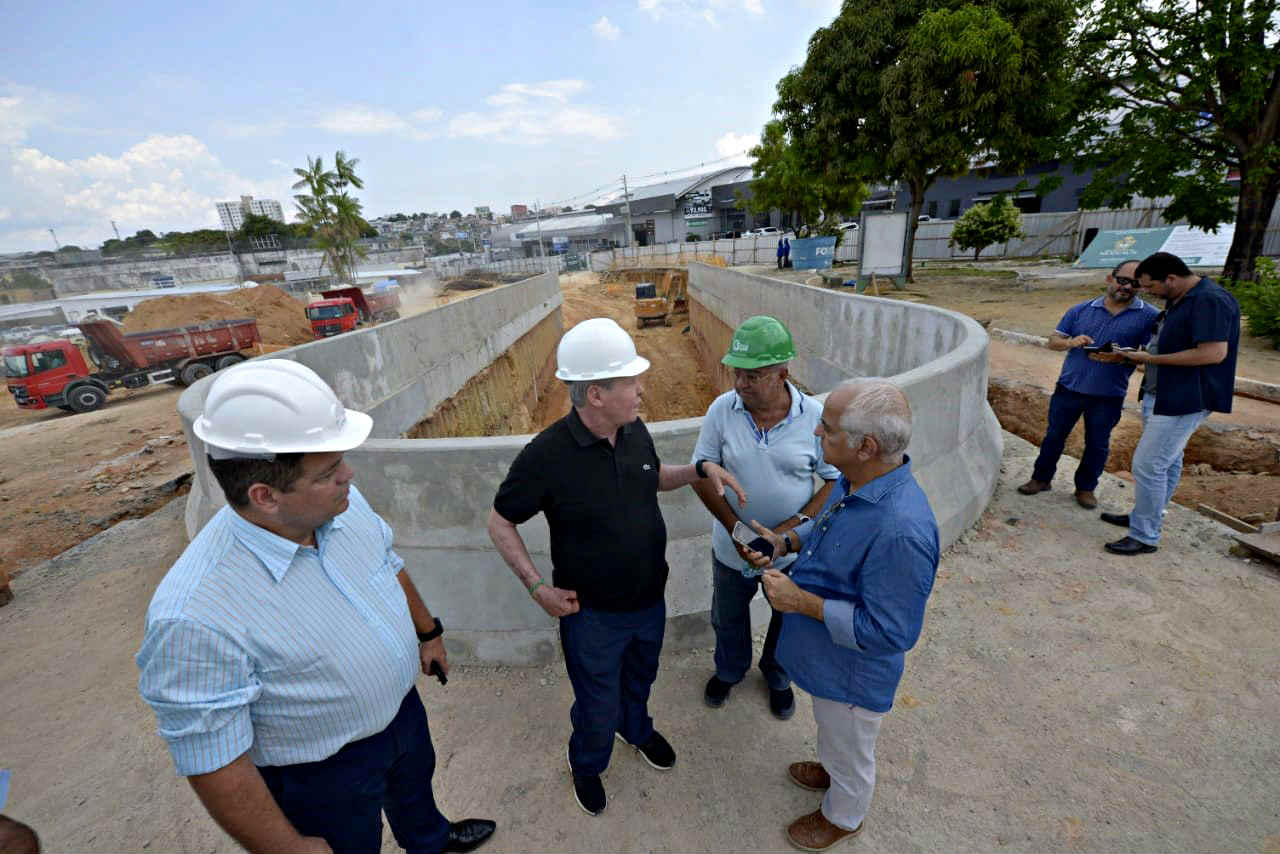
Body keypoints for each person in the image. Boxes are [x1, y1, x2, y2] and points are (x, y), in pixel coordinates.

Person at [136, 360, 496, 854]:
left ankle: (430, 840)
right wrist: (289, 848)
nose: (349, 474)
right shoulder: (196, 615)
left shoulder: (342, 504)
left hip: (402, 716)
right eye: (328, 472)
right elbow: (213, 759)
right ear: (265, 496)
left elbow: (387, 564)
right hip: (321, 775)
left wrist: (428, 632)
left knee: (416, 792)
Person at [486, 318, 745, 818]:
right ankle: (586, 761)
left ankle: (636, 728)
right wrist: (537, 587)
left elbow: (653, 477)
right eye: (631, 381)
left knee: (640, 680)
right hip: (592, 617)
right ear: (596, 394)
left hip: (648, 601)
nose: (642, 389)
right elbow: (500, 522)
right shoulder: (546, 456)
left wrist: (697, 470)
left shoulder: (633, 430)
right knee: (596, 702)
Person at [742, 379, 939, 852]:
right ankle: (833, 768)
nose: (816, 434)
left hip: (853, 675)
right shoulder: (859, 482)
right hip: (829, 661)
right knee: (834, 733)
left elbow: (891, 632)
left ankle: (844, 815)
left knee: (851, 746)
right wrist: (785, 541)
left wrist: (800, 602)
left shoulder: (901, 531)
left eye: (827, 429)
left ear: (865, 446)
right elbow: (828, 524)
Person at [690, 316, 838, 719]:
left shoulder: (814, 417)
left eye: (752, 376)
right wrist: (737, 533)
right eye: (737, 372)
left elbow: (834, 481)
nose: (740, 383)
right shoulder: (722, 411)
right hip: (731, 550)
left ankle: (777, 675)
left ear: (782, 375)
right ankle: (729, 670)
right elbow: (700, 474)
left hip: (791, 554)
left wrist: (785, 534)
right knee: (728, 618)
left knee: (787, 618)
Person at [1097, 251, 1240, 555]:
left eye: (1151, 286)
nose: (1148, 292)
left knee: (1148, 465)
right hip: (1161, 392)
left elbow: (1213, 353)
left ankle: (1144, 535)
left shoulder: (1210, 300)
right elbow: (1171, 341)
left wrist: (1151, 359)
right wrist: (1139, 355)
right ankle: (1146, 516)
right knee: (1168, 461)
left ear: (1171, 279)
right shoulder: (1181, 298)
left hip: (1185, 398)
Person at [1017, 259, 1159, 508]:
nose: (1127, 287)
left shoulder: (1150, 316)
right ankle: (1041, 479)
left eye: (1135, 283)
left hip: (1109, 394)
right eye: (1122, 280)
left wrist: (1123, 356)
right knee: (1054, 437)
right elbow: (1053, 341)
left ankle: (1085, 489)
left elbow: (1151, 356)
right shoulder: (1080, 310)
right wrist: (1071, 343)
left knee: (1097, 444)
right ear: (1110, 278)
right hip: (1069, 388)